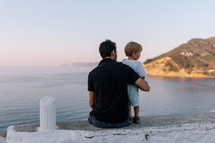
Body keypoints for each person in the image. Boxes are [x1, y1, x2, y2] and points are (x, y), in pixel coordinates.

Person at [88, 39, 150, 128]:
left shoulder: (92, 74)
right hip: (123, 121)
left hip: (101, 121)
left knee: (90, 114)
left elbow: (92, 104)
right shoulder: (125, 68)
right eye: (116, 51)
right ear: (113, 52)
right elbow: (146, 88)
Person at [122, 41, 147, 124]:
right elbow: (143, 76)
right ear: (133, 53)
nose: (140, 55)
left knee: (127, 103)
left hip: (124, 86)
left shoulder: (123, 62)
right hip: (134, 87)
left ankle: (129, 117)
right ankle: (136, 117)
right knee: (136, 103)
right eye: (139, 53)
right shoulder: (138, 64)